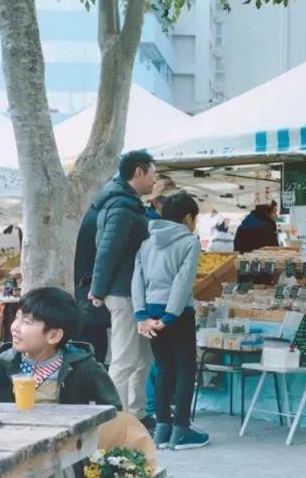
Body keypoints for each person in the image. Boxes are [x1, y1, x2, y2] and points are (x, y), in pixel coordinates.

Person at [132, 192, 210, 451]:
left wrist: (142, 315)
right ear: (188, 217)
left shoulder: (147, 241)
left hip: (151, 311)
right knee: (186, 368)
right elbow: (182, 281)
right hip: (177, 313)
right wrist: (169, 317)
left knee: (164, 368)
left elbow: (137, 280)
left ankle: (162, 428)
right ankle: (182, 429)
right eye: (195, 218)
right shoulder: (189, 242)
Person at [87, 150, 156, 426]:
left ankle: (136, 413)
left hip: (134, 292)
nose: (155, 180)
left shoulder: (128, 203)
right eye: (153, 173)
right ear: (138, 172)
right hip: (122, 292)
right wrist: (99, 289)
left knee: (142, 358)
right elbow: (107, 249)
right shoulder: (121, 206)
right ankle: (114, 420)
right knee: (125, 358)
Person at [0, 287, 120, 408]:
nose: (14, 327)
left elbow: (112, 409)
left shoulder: (82, 366)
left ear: (54, 336)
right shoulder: (2, 363)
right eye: (17, 317)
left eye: (26, 322)